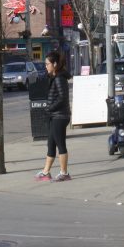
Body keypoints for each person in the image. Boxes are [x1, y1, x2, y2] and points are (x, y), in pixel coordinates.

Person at [35, 51, 71, 182]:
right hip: (54, 115)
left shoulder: (60, 78)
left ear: (55, 64)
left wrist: (50, 108)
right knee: (51, 144)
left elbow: (62, 98)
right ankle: (46, 172)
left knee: (60, 144)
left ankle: (64, 173)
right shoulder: (54, 77)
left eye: (47, 64)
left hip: (60, 116)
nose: (46, 66)